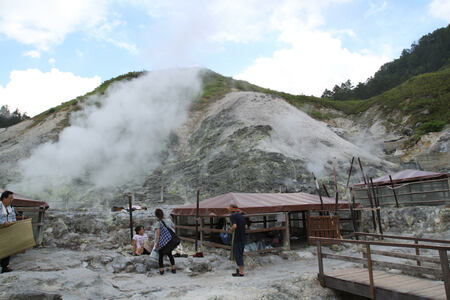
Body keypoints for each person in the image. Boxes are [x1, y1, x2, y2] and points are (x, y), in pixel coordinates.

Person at [154, 208, 176, 275]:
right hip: (170, 240)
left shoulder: (158, 223)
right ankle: (173, 268)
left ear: (156, 215)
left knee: (160, 255)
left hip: (162, 242)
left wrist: (156, 243)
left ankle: (161, 270)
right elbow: (174, 227)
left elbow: (158, 234)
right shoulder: (169, 220)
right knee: (170, 254)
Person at [229, 204, 247, 277]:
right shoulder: (242, 216)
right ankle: (239, 270)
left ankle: (241, 272)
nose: (229, 209)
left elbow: (234, 226)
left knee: (237, 255)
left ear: (233, 209)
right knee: (240, 253)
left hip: (237, 237)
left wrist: (230, 230)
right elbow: (246, 226)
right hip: (243, 237)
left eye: (230, 208)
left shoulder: (232, 216)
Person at [1, 191, 16, 273]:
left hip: (8, 230)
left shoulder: (11, 207)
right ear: (4, 198)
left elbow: (13, 217)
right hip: (1, 229)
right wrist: (3, 223)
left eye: (12, 198)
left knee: (8, 248)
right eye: (10, 198)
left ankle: (5, 267)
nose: (12, 200)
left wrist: (14, 222)